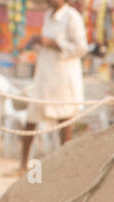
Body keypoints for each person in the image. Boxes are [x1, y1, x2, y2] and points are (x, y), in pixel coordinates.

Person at [20, 0, 85, 175]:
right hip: (44, 76)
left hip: (63, 78)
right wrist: (40, 42)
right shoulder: (48, 16)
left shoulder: (72, 17)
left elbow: (81, 48)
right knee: (31, 118)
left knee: (64, 120)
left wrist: (53, 43)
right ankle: (22, 165)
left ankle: (65, 168)